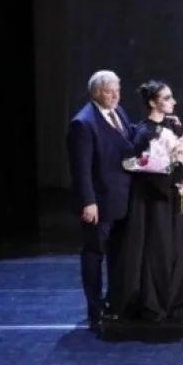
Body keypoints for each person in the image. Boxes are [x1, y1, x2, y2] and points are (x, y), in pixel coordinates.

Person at [110, 80, 183, 323]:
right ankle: (156, 302)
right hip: (156, 199)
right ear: (153, 103)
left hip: (176, 194)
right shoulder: (144, 132)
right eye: (166, 98)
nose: (173, 102)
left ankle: (179, 299)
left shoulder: (174, 124)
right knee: (159, 249)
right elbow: (142, 167)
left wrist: (182, 177)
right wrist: (168, 178)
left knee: (180, 246)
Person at [66, 70, 140, 325]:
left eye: (117, 91)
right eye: (109, 92)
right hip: (99, 203)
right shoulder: (83, 123)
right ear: (96, 93)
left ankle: (116, 300)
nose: (115, 96)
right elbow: (81, 168)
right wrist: (88, 202)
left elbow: (128, 136)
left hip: (121, 199)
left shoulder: (118, 112)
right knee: (94, 252)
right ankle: (95, 306)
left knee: (118, 253)